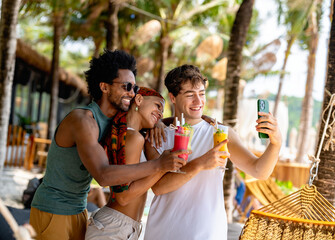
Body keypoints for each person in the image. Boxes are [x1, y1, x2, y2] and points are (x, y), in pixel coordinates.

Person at [29, 50, 186, 240]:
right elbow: (103, 175)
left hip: (79, 209)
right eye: (126, 86)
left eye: (135, 88)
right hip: (54, 209)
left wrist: (160, 122)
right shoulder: (84, 120)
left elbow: (144, 116)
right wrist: (159, 165)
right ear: (104, 87)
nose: (132, 92)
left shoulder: (114, 122)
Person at [143, 64, 282, 240]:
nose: (198, 101)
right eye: (190, 95)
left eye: (201, 94)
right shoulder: (157, 134)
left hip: (207, 233)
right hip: (163, 232)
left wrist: (276, 143)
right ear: (173, 97)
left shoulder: (221, 133)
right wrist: (201, 163)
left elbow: (259, 171)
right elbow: (159, 187)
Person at [85, 87, 170, 240]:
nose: (161, 113)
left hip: (120, 227)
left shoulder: (127, 134)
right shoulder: (133, 138)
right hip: (113, 228)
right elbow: (123, 197)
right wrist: (162, 167)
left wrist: (159, 122)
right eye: (158, 106)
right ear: (138, 100)